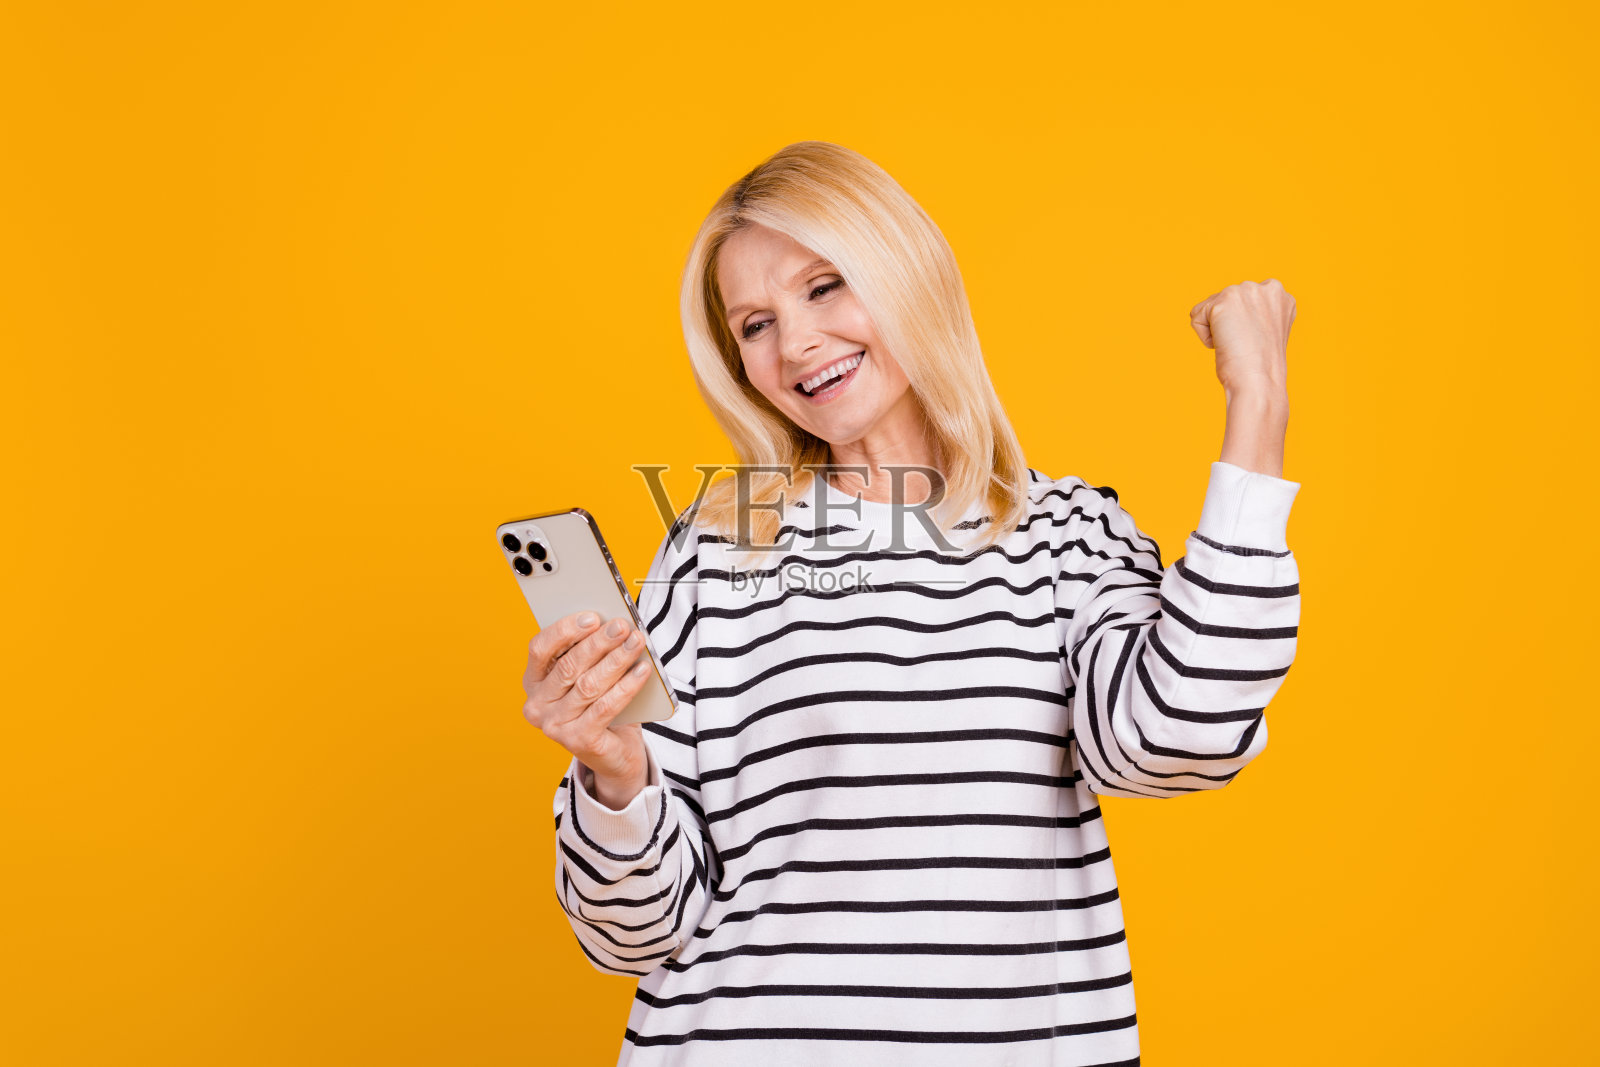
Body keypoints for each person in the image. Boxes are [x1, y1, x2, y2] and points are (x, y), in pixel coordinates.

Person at [521, 140, 1301, 1066]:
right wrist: (615, 778)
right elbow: (632, 937)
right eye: (755, 324)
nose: (797, 343)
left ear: (908, 273)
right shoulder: (714, 551)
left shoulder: (1066, 536)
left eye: (824, 286)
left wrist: (1257, 404)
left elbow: (1183, 737)